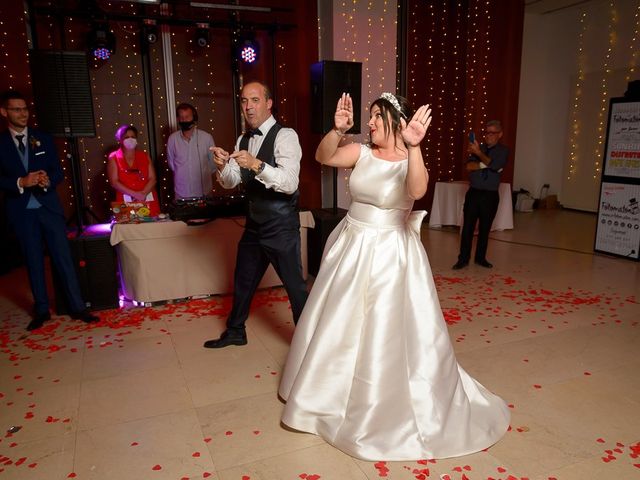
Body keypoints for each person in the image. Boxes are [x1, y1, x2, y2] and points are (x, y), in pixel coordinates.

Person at [278, 92, 510, 461]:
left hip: (391, 253)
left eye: (375, 117)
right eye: (367, 117)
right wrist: (337, 130)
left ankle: (376, 397)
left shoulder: (409, 160)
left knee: (382, 329)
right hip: (352, 244)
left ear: (395, 121)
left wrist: (414, 147)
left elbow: (417, 190)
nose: (368, 123)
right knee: (339, 321)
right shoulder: (360, 152)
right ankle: (325, 391)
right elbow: (323, 157)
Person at [203, 81, 308, 349]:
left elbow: (289, 182)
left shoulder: (286, 136)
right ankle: (236, 331)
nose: (248, 107)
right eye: (244, 101)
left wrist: (257, 164)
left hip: (281, 227)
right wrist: (222, 167)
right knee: (243, 281)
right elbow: (232, 181)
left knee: (295, 288)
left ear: (269, 103)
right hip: (254, 225)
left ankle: (311, 343)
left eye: (254, 100)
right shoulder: (243, 139)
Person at [0, 90, 99, 330]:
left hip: (48, 208)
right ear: (4, 112)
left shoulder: (42, 138)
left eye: (25, 109)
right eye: (16, 109)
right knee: (33, 260)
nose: (23, 113)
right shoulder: (1, 143)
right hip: (22, 210)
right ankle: (41, 310)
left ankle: (78, 307)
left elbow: (58, 172)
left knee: (63, 258)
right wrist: (21, 182)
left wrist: (47, 180)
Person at [452, 120, 509, 269]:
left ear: (500, 134)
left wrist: (480, 156)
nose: (488, 136)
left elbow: (497, 165)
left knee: (485, 229)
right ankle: (463, 259)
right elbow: (469, 166)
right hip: (474, 193)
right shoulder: (478, 147)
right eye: (486, 132)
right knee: (468, 228)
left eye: (492, 133)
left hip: (490, 195)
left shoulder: (503, 151)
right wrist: (487, 163)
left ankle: (480, 258)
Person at [107, 124, 160, 216]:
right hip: (125, 201)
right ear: (120, 140)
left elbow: (153, 178)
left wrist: (143, 194)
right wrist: (135, 194)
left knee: (151, 227)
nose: (130, 139)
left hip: (147, 198)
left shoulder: (144, 156)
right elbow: (114, 182)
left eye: (133, 137)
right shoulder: (114, 157)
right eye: (126, 137)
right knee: (128, 227)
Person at [166, 103, 216, 200]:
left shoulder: (206, 138)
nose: (184, 120)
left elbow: (213, 165)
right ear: (178, 119)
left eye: (187, 117)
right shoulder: (172, 139)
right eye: (181, 117)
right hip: (181, 193)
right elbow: (172, 164)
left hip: (204, 193)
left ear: (194, 118)